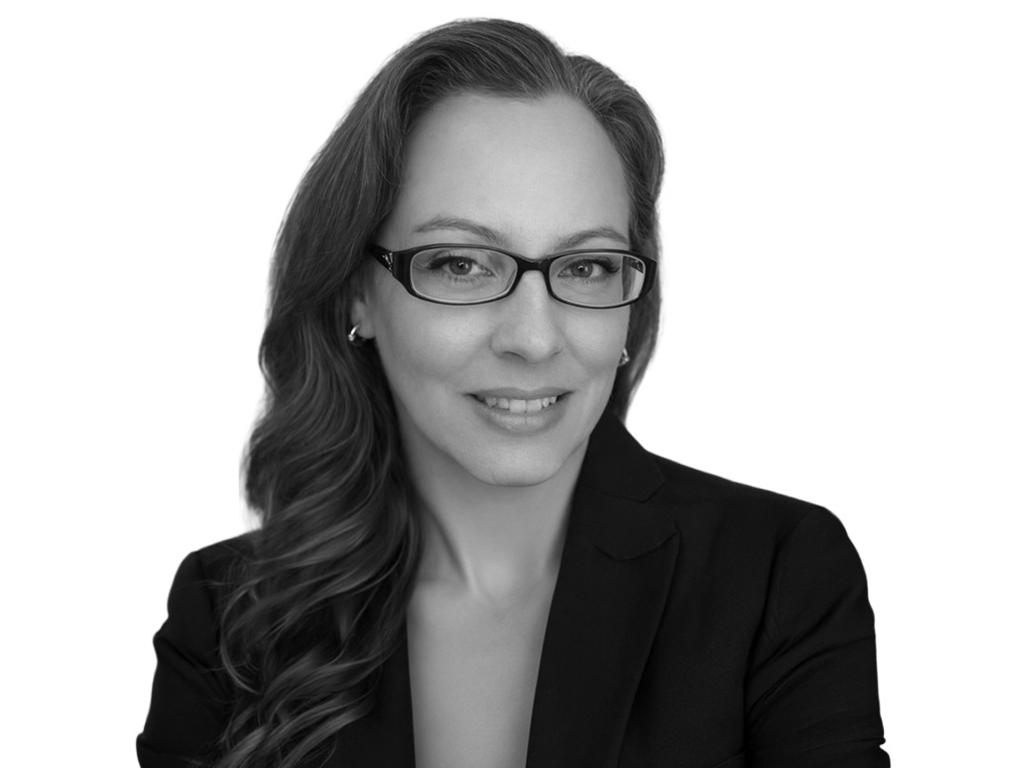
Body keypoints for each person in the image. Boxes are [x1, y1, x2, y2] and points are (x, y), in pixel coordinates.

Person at [138, 18, 889, 768]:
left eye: (588, 268)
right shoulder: (229, 611)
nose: (533, 338)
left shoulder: (777, 576)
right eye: (462, 264)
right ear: (355, 295)